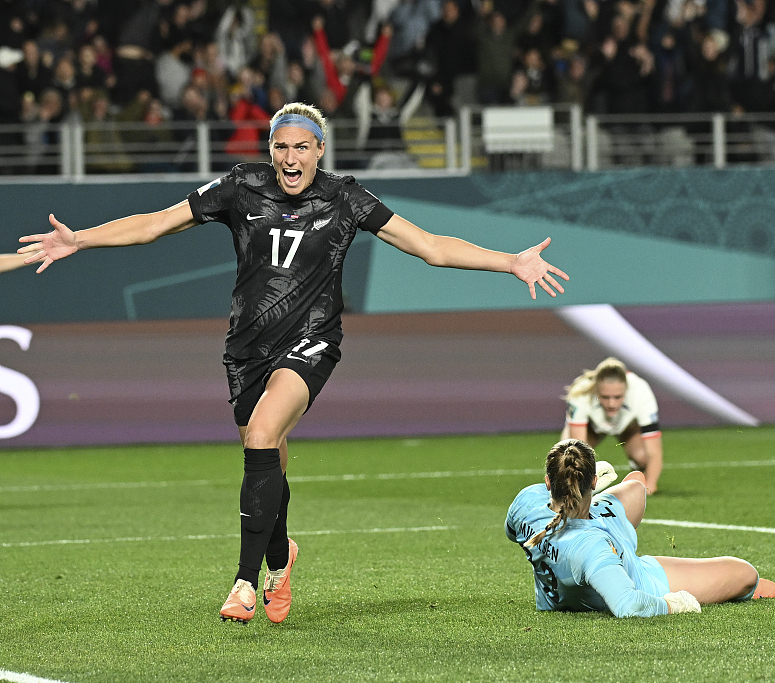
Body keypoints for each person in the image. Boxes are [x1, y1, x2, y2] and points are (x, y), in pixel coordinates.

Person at [18, 102, 570, 625]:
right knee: (267, 456)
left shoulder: (346, 198)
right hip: (246, 348)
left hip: (312, 341)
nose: (290, 158)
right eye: (281, 147)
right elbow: (157, 223)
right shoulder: (241, 186)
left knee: (262, 436)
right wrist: (80, 240)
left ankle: (243, 582)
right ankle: (280, 557)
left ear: (320, 150)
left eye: (302, 148)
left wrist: (509, 262)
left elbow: (430, 246)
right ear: (270, 149)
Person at [505, 438, 775, 617]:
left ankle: (598, 508)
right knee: (745, 573)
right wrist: (675, 604)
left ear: (548, 482)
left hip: (589, 527)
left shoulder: (527, 500)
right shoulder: (592, 549)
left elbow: (512, 532)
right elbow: (629, 605)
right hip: (635, 575)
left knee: (636, 485)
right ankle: (747, 588)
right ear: (593, 482)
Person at [561, 358, 665, 494]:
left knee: (643, 457)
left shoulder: (641, 392)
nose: (611, 404)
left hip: (628, 427)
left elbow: (654, 452)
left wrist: (649, 487)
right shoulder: (581, 392)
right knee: (568, 458)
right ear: (596, 390)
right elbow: (578, 449)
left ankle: (636, 468)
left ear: (626, 390)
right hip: (592, 427)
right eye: (605, 397)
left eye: (617, 397)